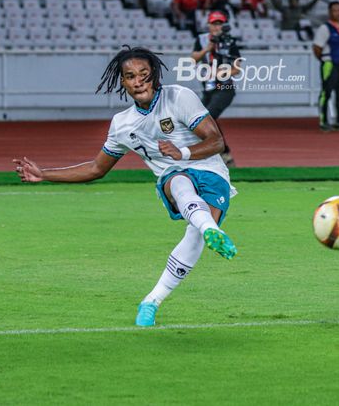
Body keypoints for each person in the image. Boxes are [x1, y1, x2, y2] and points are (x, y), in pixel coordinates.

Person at [13, 46, 239, 328]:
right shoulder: (122, 124)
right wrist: (45, 174)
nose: (138, 81)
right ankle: (211, 230)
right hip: (173, 176)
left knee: (193, 237)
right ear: (123, 82)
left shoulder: (179, 97)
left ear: (154, 75)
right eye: (130, 76)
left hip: (212, 172)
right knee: (179, 181)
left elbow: (216, 141)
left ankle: (151, 301)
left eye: (144, 74)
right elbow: (97, 168)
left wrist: (180, 152)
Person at [192, 11, 241, 167]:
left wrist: (220, 73)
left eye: (220, 23)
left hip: (225, 86)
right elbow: (193, 58)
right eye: (214, 23)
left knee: (208, 117)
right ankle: (219, 154)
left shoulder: (230, 42)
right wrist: (207, 49)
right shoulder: (201, 39)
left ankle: (223, 153)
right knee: (200, 120)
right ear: (208, 25)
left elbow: (237, 68)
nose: (216, 27)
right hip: (208, 87)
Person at [312, 1, 339, 131]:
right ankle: (324, 120)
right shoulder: (325, 28)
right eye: (334, 10)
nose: (337, 13)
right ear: (330, 12)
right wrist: (325, 60)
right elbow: (317, 47)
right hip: (330, 63)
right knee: (326, 92)